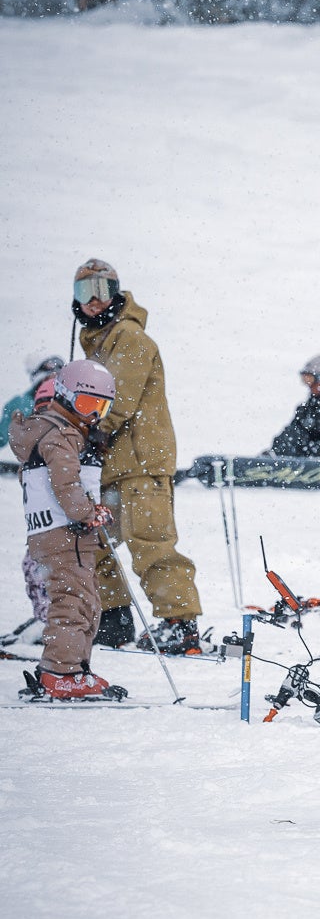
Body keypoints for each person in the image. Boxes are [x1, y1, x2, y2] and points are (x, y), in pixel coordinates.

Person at [72, 259, 204, 654]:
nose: (94, 300)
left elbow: (116, 402)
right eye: (84, 292)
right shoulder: (100, 340)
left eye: (103, 289)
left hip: (141, 465)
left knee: (151, 543)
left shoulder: (129, 337)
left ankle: (179, 624)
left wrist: (86, 430)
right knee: (95, 545)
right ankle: (113, 619)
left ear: (117, 292)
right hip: (111, 467)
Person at [9, 360, 127, 699]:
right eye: (86, 404)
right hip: (65, 534)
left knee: (86, 601)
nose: (93, 415)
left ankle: (73, 668)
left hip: (56, 535)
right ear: (63, 396)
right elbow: (66, 483)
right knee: (73, 603)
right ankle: (60, 672)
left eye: (101, 407)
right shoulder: (59, 434)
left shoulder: (50, 431)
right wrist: (86, 511)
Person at [3, 355, 64, 646]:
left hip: (60, 492)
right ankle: (47, 617)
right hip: (40, 492)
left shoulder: (71, 400)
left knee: (48, 559)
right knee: (37, 560)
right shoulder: (23, 404)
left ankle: (53, 620)